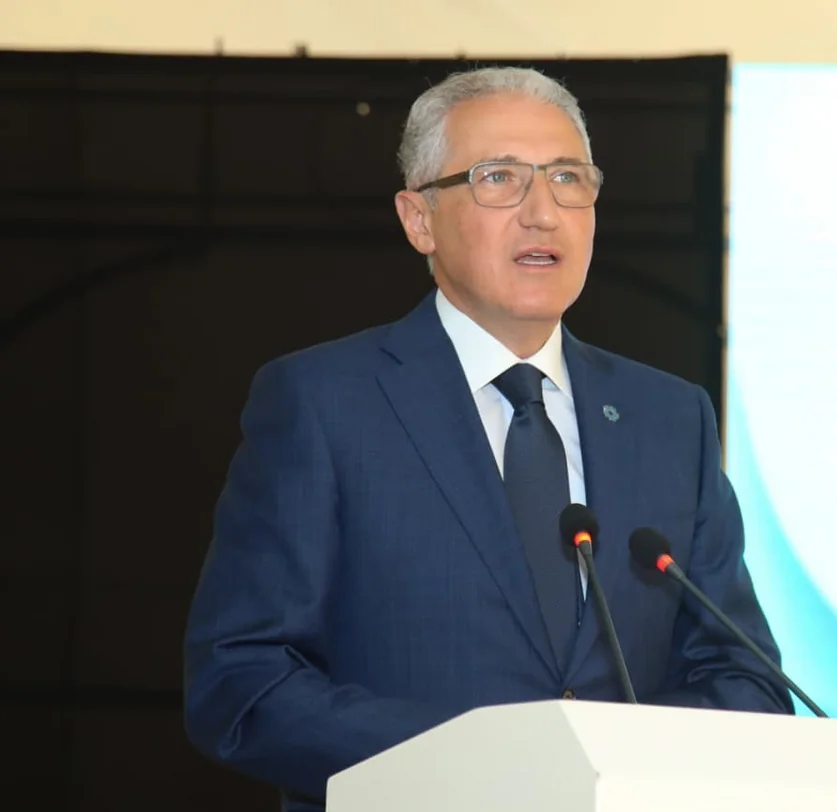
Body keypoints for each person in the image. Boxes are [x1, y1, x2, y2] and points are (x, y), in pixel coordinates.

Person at [183, 66, 792, 812]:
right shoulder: (325, 404)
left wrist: (613, 765)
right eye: (499, 178)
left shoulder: (669, 417)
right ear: (419, 219)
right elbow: (243, 682)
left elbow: (745, 679)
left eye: (567, 179)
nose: (542, 213)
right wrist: (475, 766)